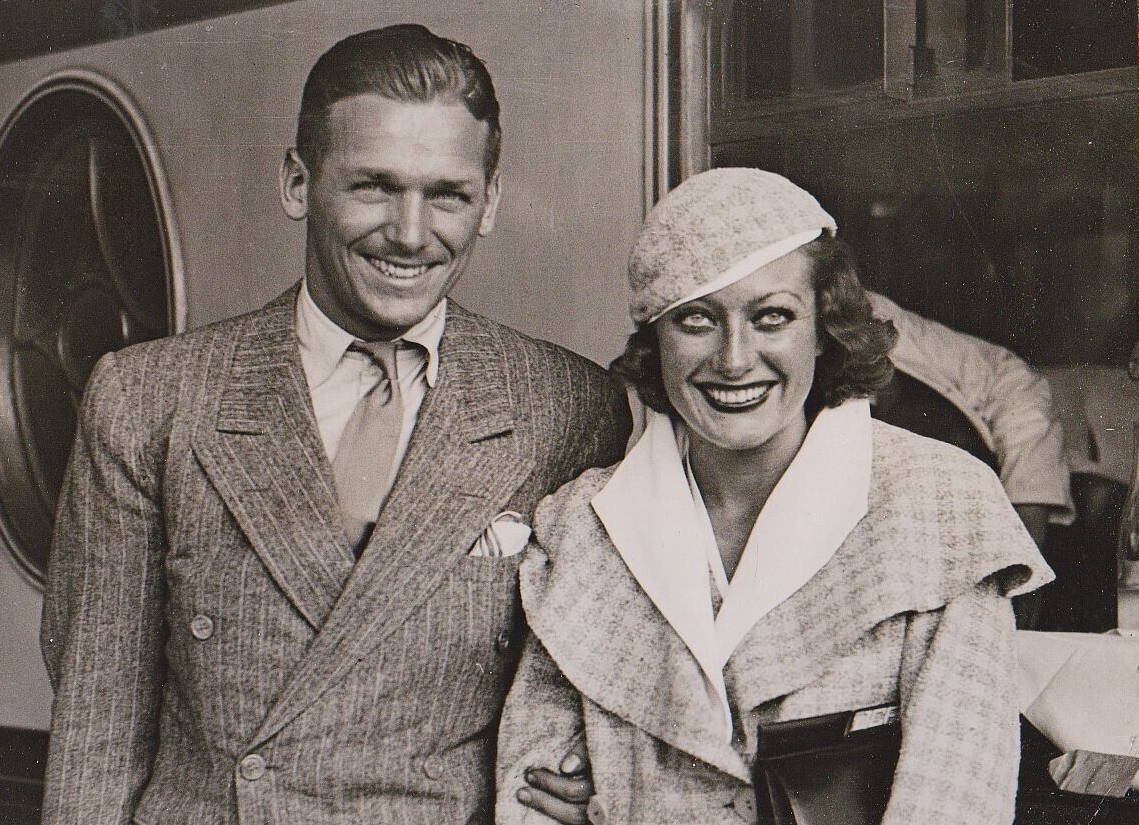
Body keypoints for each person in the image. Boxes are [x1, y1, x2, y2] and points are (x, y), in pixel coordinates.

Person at [39, 25, 630, 825]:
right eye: (373, 186)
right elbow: (97, 728)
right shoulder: (149, 399)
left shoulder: (567, 408)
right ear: (296, 181)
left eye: (447, 193)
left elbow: (593, 688)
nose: (411, 234)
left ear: (488, 202)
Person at [496, 168, 1053, 824]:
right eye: (696, 320)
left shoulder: (942, 505)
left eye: (771, 318)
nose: (734, 359)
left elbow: (957, 799)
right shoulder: (580, 525)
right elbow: (527, 792)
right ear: (654, 338)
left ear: (823, 328)